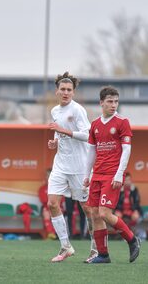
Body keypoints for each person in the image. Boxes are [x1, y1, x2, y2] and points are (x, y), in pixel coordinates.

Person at [83, 86, 141, 264]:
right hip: (97, 174)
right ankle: (103, 255)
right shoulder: (95, 125)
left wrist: (119, 174)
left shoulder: (122, 122)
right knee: (93, 212)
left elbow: (127, 150)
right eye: (109, 101)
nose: (113, 105)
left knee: (105, 213)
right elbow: (91, 151)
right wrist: (87, 174)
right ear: (101, 103)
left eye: (116, 101)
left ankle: (132, 240)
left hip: (112, 175)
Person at [47, 71, 97, 263]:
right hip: (60, 164)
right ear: (57, 91)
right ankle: (66, 246)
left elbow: (87, 135)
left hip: (79, 166)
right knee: (52, 203)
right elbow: (58, 136)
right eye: (63, 89)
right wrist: (54, 143)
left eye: (69, 90)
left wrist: (62, 131)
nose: (66, 92)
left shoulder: (78, 110)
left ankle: (95, 249)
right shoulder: (55, 111)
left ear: (73, 92)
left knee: (88, 209)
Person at [38, 169, 57, 239]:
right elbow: (43, 200)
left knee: (56, 213)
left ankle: (53, 233)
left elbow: (61, 199)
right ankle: (51, 233)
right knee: (46, 212)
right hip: (47, 207)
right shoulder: (42, 188)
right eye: (47, 175)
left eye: (49, 175)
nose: (48, 177)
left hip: (57, 207)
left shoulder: (57, 187)